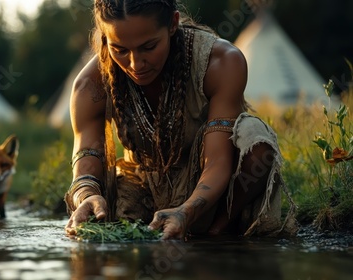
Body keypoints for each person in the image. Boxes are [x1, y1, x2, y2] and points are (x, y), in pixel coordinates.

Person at [64, 0, 297, 240]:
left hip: (209, 183)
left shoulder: (221, 62)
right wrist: (87, 195)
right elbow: (87, 154)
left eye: (149, 46)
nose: (135, 64)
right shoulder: (88, 86)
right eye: (120, 50)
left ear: (173, 24)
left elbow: (218, 159)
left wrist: (187, 212)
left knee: (256, 142)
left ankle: (217, 231)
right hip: (139, 187)